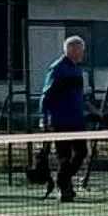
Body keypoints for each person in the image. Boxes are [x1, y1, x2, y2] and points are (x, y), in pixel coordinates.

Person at [39, 35, 91, 203]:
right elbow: (46, 96)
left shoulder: (77, 69)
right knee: (64, 156)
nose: (83, 52)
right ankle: (65, 187)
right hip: (60, 121)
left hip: (77, 121)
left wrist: (92, 110)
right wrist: (43, 120)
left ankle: (63, 180)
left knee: (82, 152)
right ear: (73, 50)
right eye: (81, 49)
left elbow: (79, 96)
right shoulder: (57, 69)